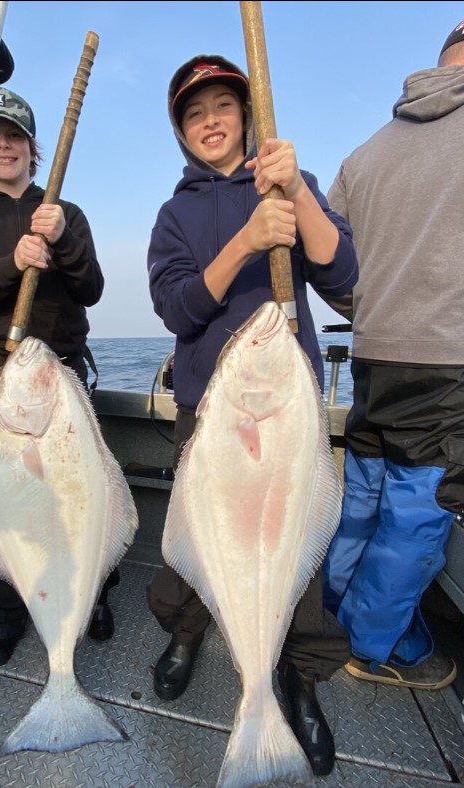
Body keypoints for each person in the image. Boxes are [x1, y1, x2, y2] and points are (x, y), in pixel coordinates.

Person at [146, 55, 358, 776]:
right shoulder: (174, 215)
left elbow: (342, 274)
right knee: (197, 542)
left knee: (295, 555)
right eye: (193, 112)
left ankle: (296, 677)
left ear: (245, 114)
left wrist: (293, 193)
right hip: (208, 411)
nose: (209, 121)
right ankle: (186, 633)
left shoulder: (287, 181)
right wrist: (246, 240)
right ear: (181, 130)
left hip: (285, 414)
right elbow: (177, 310)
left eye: (222, 106)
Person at [0, 86, 119, 668]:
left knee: (85, 488)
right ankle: (1, 611)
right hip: (0, 369)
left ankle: (92, 591)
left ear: (32, 146)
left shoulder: (66, 212)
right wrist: (11, 263)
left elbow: (92, 288)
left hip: (63, 369)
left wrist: (62, 239)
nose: (3, 146)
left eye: (13, 136)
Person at [321, 21, 464, 691]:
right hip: (446, 362)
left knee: (364, 499)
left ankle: (330, 612)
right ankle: (374, 644)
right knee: (414, 515)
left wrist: (374, 315)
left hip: (372, 357)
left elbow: (330, 262)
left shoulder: (364, 154)